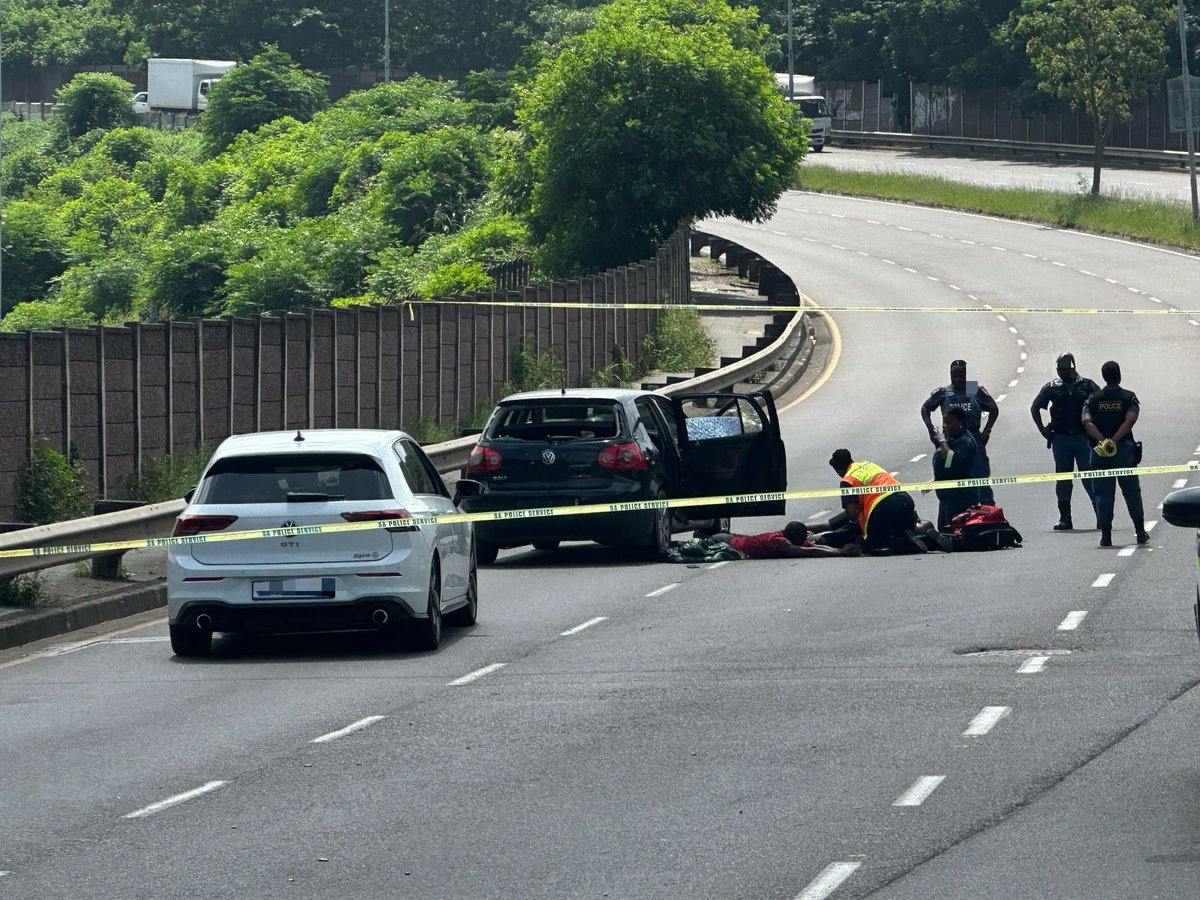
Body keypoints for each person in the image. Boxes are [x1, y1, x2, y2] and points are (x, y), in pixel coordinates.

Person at [813, 449, 939, 555]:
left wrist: (858, 514)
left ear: (838, 470)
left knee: (873, 547)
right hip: (904, 499)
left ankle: (921, 542)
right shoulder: (869, 465)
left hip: (883, 507)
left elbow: (851, 515)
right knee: (897, 533)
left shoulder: (848, 479)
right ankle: (925, 538)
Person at [1030, 352, 1100, 531]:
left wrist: (1097, 432)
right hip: (1060, 438)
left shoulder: (1087, 386)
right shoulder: (1052, 387)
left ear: (1073, 368)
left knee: (1089, 477)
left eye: (1065, 369)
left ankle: (1101, 514)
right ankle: (1065, 517)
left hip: (1082, 438)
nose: (1062, 373)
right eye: (1059, 369)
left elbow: (1100, 404)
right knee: (1063, 479)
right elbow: (1035, 407)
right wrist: (1043, 430)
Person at [1083, 360, 1148, 548]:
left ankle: (1106, 536)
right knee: (1132, 493)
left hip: (1100, 453)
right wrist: (1115, 440)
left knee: (1103, 496)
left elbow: (1087, 422)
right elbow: (1130, 420)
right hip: (1124, 453)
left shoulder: (1092, 399)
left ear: (1104, 377)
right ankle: (1140, 532)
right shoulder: (1129, 397)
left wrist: (1103, 441)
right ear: (1119, 375)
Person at [921, 359, 999, 505]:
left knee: (979, 476)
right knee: (951, 472)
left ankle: (987, 511)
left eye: (960, 376)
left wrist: (987, 430)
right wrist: (931, 430)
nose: (957, 379)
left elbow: (993, 408)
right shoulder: (945, 392)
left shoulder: (972, 390)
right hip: (952, 441)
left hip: (973, 439)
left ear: (965, 375)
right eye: (954, 376)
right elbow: (925, 408)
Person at [932, 407, 981, 529]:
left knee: (954, 529)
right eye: (944, 422)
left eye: (950, 423)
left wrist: (942, 441)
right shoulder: (954, 438)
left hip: (960, 496)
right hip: (948, 494)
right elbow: (947, 468)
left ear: (960, 423)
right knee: (944, 529)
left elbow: (950, 461)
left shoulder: (964, 442)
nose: (946, 426)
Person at [707, 521, 862, 558]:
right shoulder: (779, 541)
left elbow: (811, 546)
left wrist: (839, 550)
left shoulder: (788, 537)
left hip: (735, 540)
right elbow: (807, 551)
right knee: (691, 546)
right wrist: (840, 552)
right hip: (727, 543)